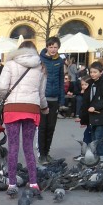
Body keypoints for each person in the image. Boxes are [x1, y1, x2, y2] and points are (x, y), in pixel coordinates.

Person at [0, 41, 47, 193]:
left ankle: (12, 184)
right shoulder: (41, 66)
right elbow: (41, 93)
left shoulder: (10, 64)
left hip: (12, 108)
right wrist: (44, 107)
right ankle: (33, 182)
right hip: (32, 108)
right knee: (28, 147)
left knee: (13, 147)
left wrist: (4, 96)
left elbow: (2, 87)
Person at [38, 37, 65, 165]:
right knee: (42, 127)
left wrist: (62, 99)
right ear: (47, 47)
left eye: (55, 47)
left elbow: (61, 81)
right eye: (51, 47)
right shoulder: (40, 60)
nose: (53, 49)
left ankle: (47, 152)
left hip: (55, 99)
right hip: (43, 99)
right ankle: (42, 155)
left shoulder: (59, 61)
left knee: (51, 128)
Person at [80, 62, 103, 162]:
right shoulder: (90, 82)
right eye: (91, 72)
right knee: (94, 136)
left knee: (98, 137)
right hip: (93, 116)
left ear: (101, 72)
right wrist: (82, 117)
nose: (92, 74)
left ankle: (101, 157)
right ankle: (99, 155)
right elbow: (86, 102)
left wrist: (95, 106)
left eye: (95, 72)